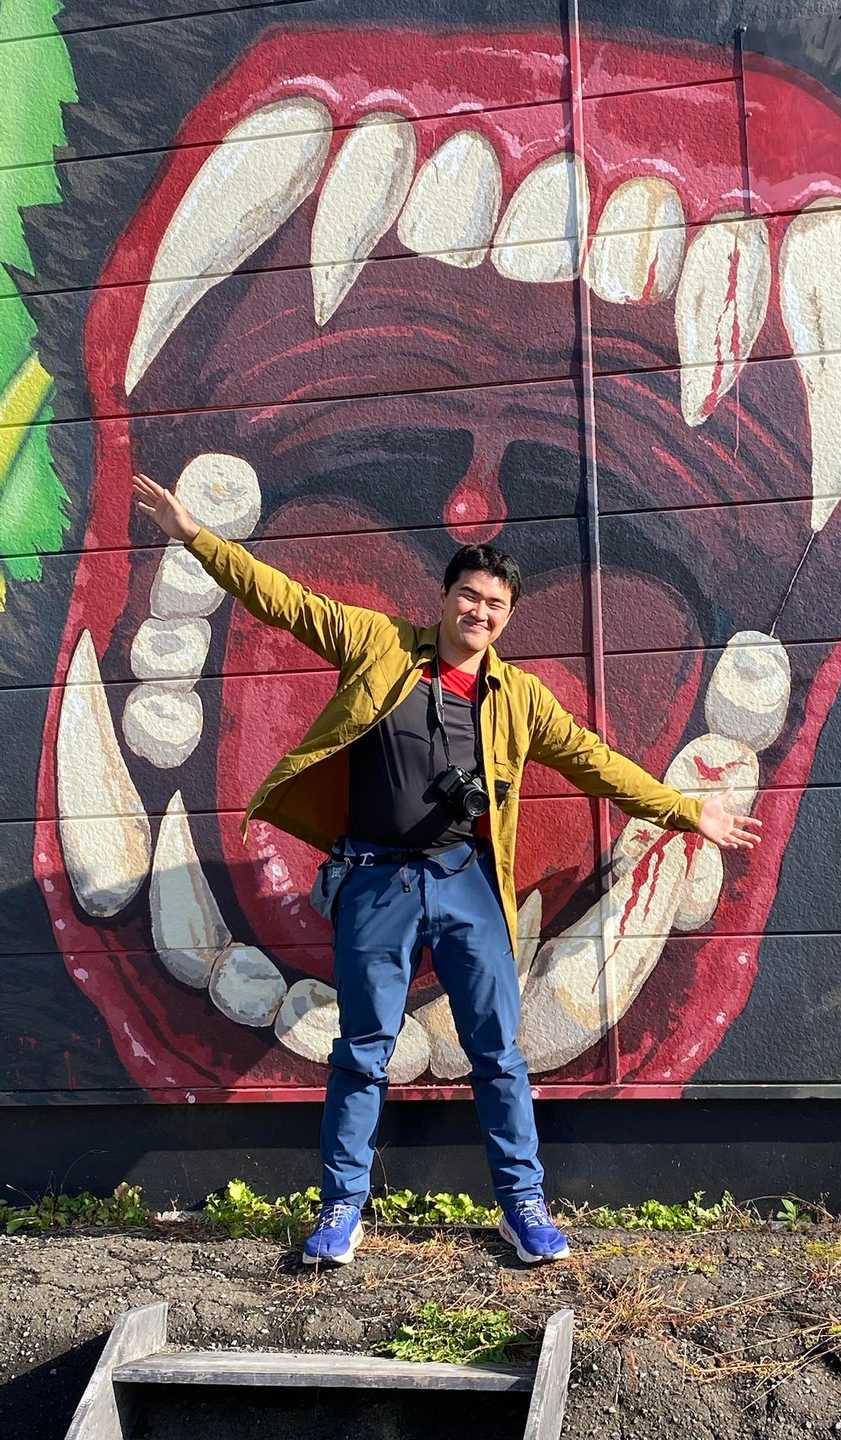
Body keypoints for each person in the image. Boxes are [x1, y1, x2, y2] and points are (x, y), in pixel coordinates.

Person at [132, 471, 764, 1266]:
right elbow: (284, 601)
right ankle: (341, 1211)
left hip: (467, 883)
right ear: (446, 597)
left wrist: (687, 811)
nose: (480, 612)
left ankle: (523, 1208)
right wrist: (194, 535)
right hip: (375, 881)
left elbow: (597, 762)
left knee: (497, 1052)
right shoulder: (380, 645)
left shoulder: (520, 698)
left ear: (507, 617)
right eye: (469, 595)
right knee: (363, 1052)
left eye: (495, 604)